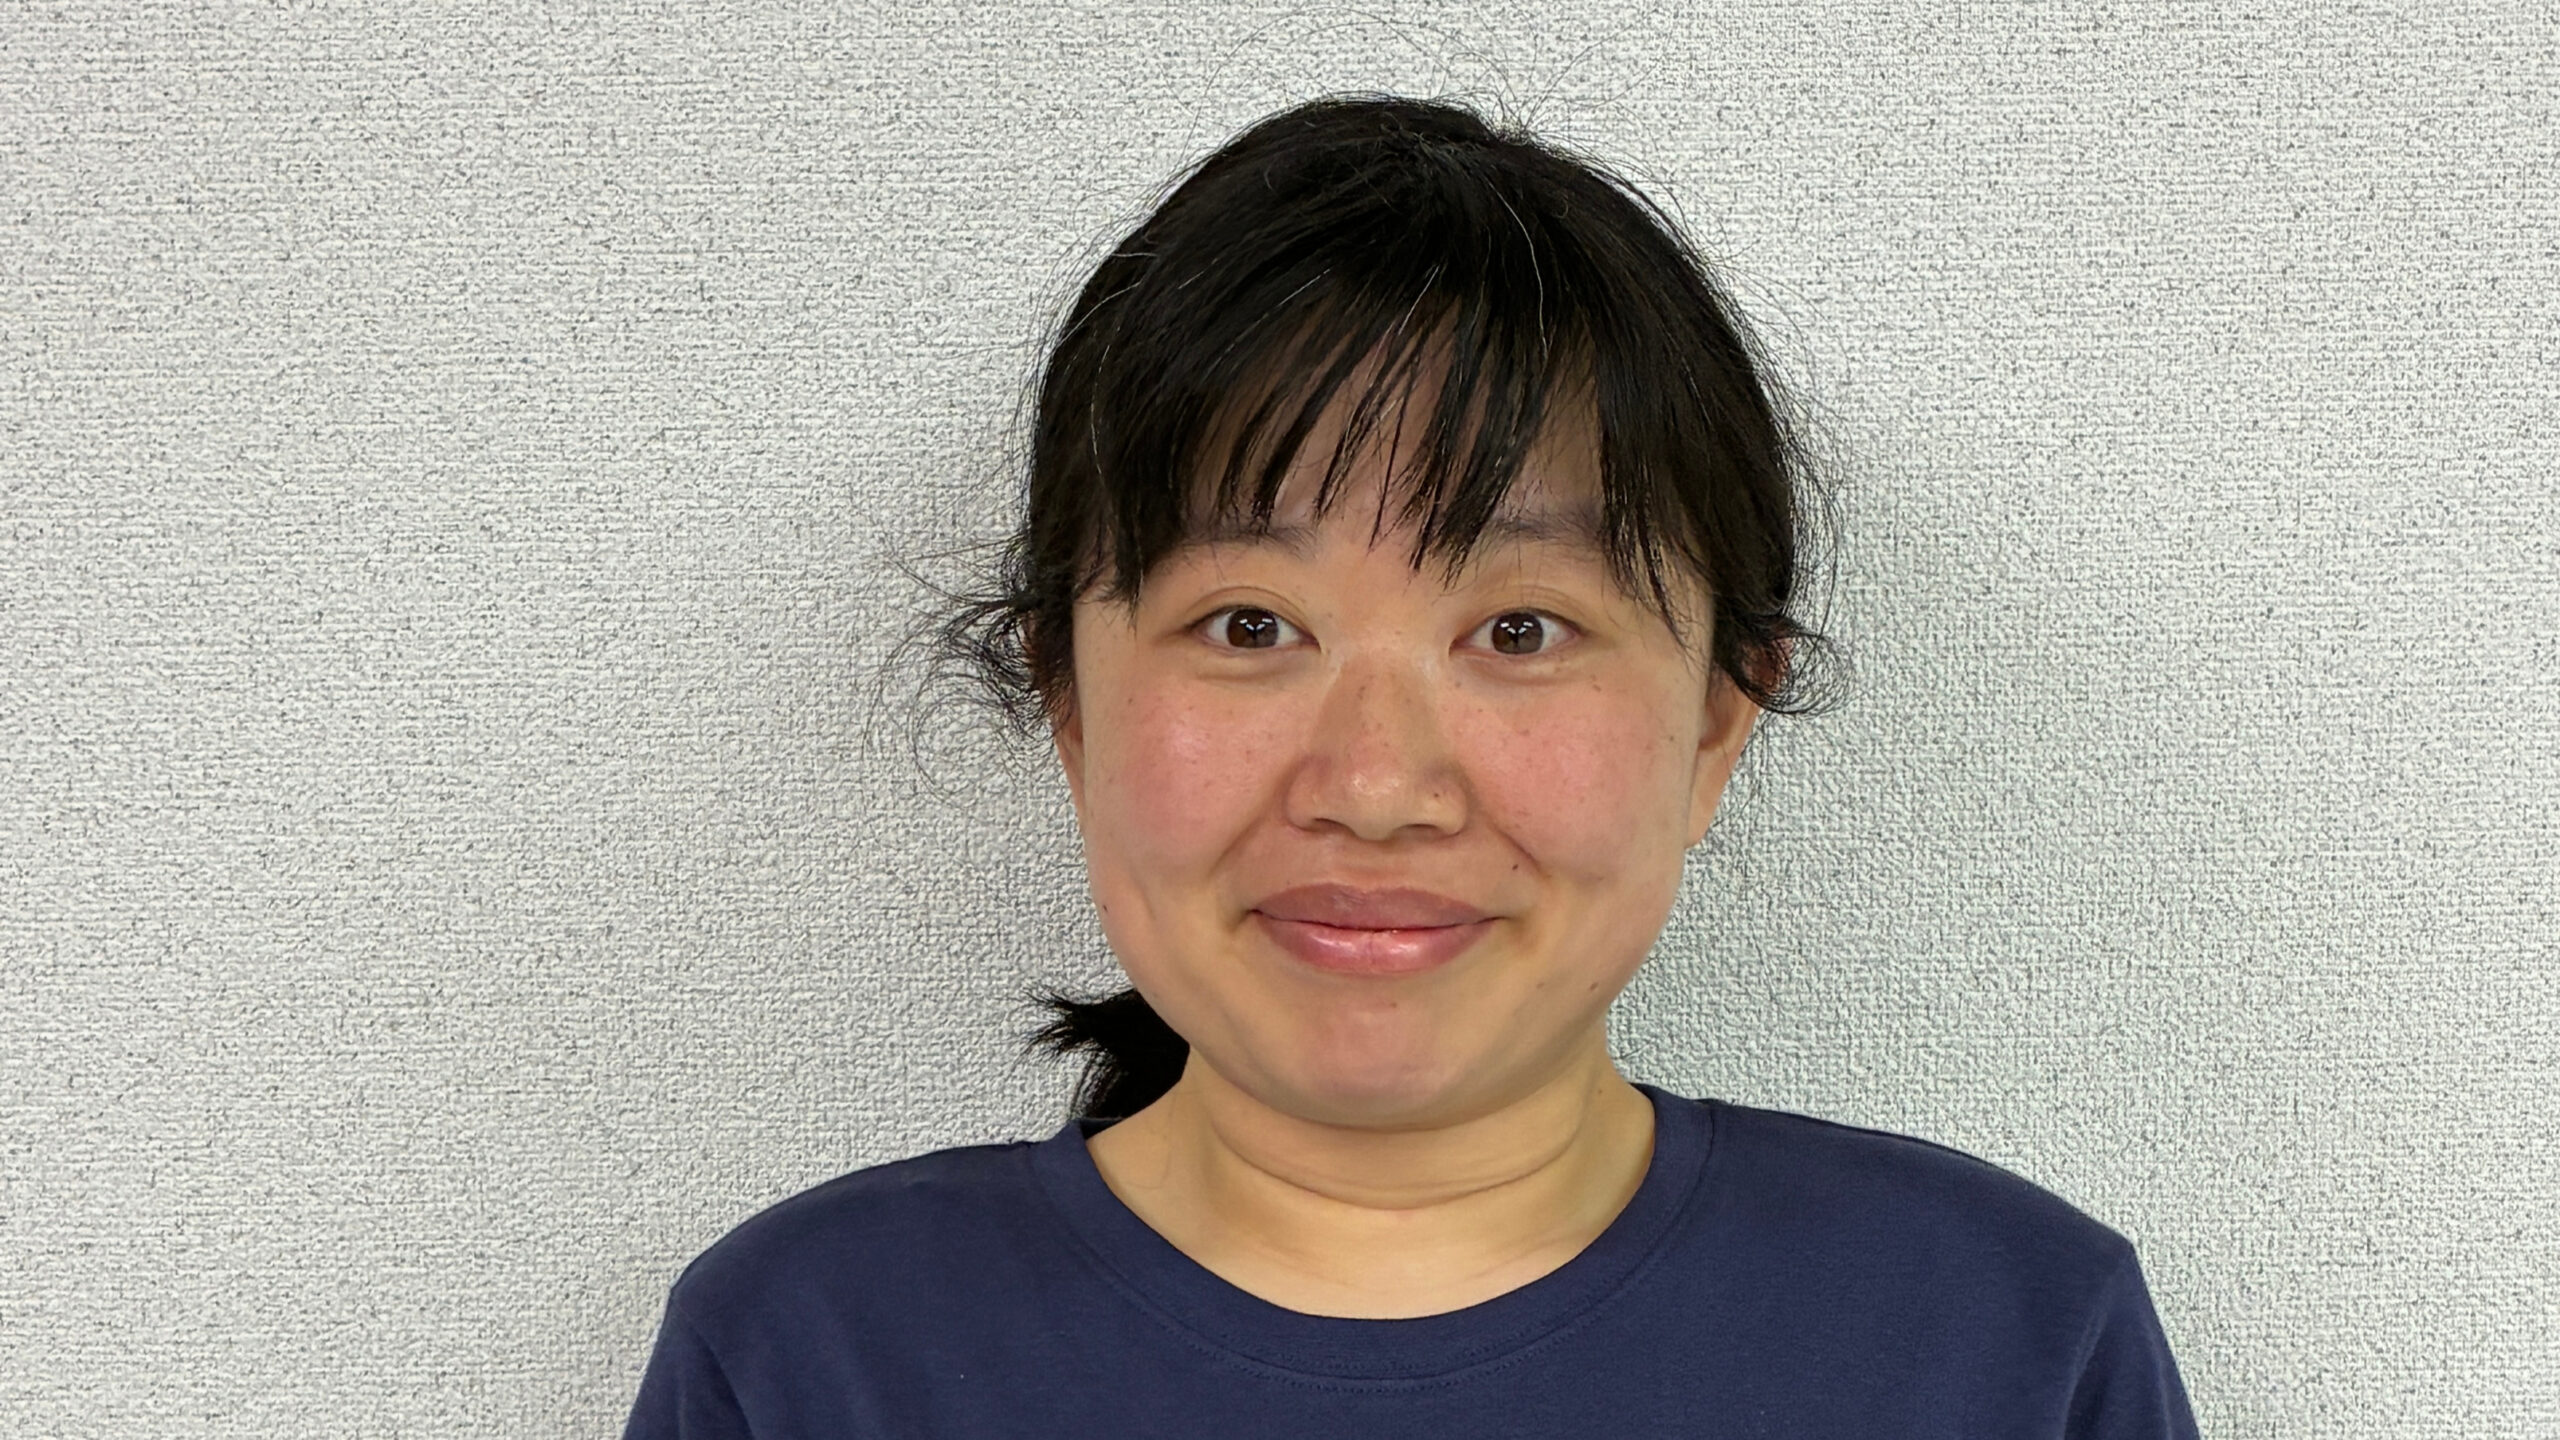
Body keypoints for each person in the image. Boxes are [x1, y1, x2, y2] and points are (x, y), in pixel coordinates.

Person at [621, 93, 2199, 1438]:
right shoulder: (811, 1358)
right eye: (1249, 625)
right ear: (1072, 703)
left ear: (1719, 723)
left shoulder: (2000, 1343)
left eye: (1520, 630)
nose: (1376, 788)